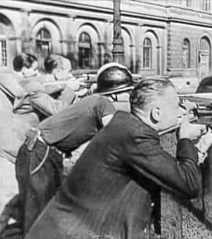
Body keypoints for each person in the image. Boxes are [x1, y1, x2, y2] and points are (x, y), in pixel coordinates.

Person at [25, 78, 212, 239]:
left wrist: (201, 145)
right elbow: (188, 184)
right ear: (156, 113)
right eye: (177, 106)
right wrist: (184, 139)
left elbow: (165, 168)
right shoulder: (136, 136)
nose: (182, 112)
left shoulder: (124, 125)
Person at [3, 63, 134, 238]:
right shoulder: (103, 103)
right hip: (40, 153)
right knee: (38, 219)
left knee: (45, 216)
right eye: (129, 91)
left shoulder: (93, 101)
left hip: (41, 152)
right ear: (117, 92)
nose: (132, 96)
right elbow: (114, 134)